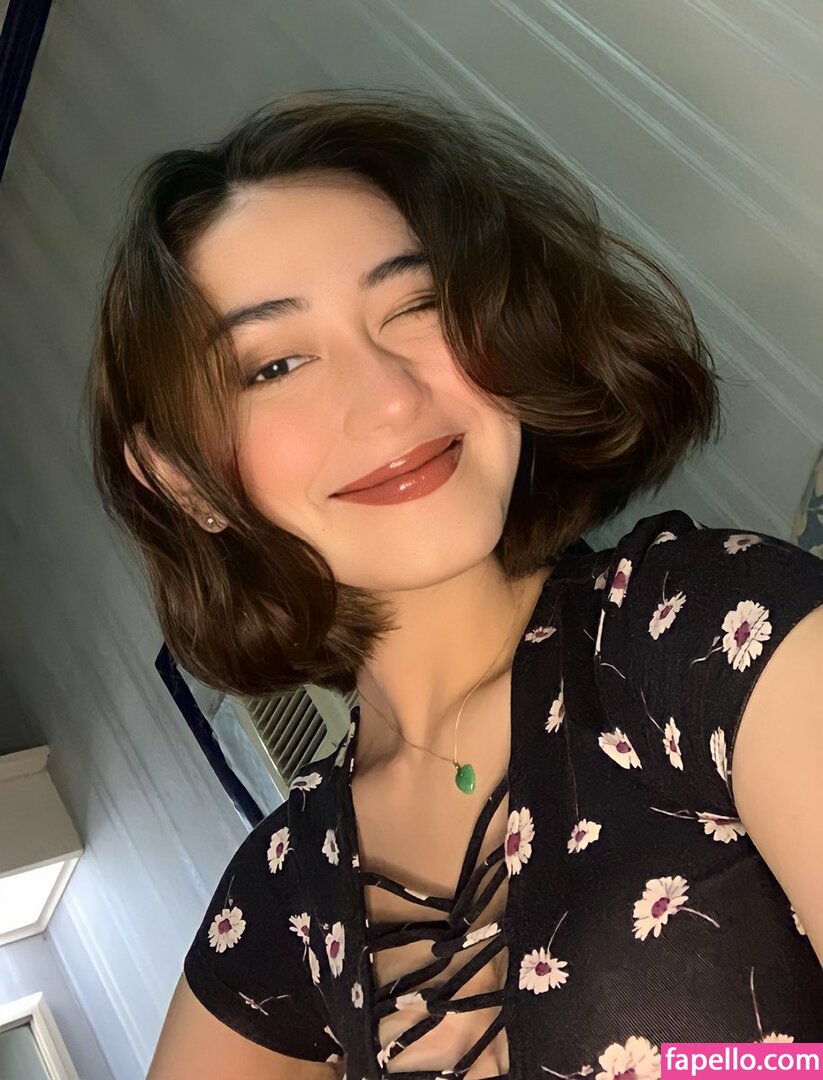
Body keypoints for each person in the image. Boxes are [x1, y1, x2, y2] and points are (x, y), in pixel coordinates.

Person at [87, 90, 823, 1080]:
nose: (390, 397)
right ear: (181, 479)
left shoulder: (710, 631)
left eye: (417, 306)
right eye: (275, 365)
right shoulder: (282, 899)